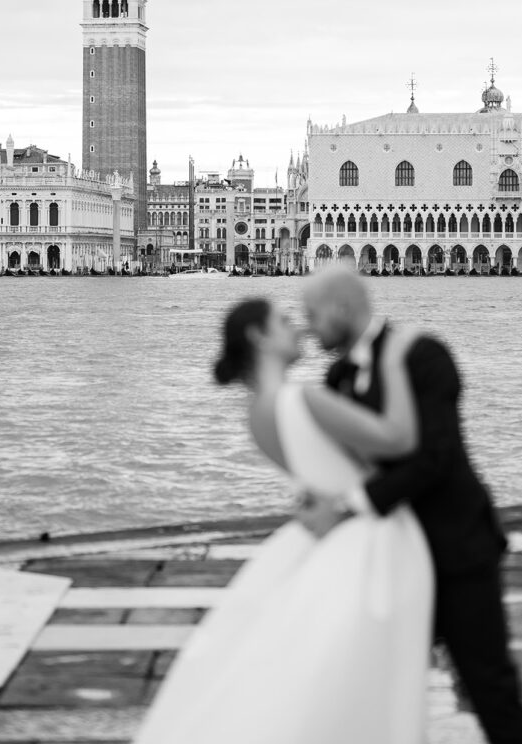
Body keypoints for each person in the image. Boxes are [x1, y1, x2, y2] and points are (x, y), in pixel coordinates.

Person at [133, 297, 433, 744]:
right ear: (259, 337)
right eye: (283, 321)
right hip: (370, 539)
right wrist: (393, 359)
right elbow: (399, 440)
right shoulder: (303, 399)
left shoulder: (256, 415)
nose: (297, 328)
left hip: (326, 534)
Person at [302, 267, 522, 744]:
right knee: (374, 689)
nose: (308, 326)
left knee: (488, 685)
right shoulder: (336, 377)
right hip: (392, 558)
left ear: (342, 308)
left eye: (312, 313)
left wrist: (349, 506)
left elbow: (435, 459)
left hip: (457, 552)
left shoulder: (425, 356)